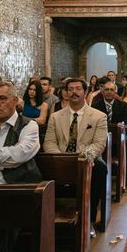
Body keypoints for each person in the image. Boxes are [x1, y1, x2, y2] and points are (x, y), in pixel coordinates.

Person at [43, 78, 108, 230]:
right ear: (65, 93)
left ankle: (89, 220)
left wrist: (82, 157)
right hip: (60, 159)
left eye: (78, 89)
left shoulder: (99, 116)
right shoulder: (56, 117)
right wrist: (61, 159)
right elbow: (49, 142)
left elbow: (99, 144)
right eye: (70, 89)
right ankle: (50, 218)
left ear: (85, 92)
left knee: (100, 167)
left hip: (85, 160)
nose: (74, 92)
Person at [92, 81, 127, 190]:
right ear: (102, 91)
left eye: (111, 90)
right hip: (99, 139)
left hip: (117, 140)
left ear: (115, 92)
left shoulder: (122, 105)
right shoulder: (95, 105)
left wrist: (121, 125)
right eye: (106, 90)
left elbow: (125, 122)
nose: (109, 92)